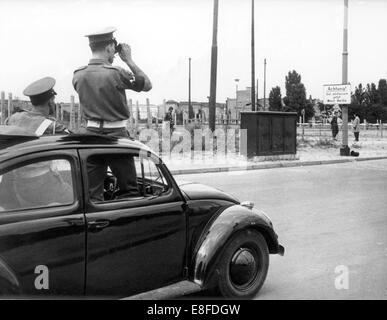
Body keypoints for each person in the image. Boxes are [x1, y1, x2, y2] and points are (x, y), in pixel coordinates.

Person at [72, 27, 152, 201]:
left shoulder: (78, 75)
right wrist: (128, 59)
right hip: (116, 136)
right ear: (110, 47)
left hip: (90, 136)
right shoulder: (117, 73)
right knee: (129, 190)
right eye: (112, 51)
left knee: (92, 194)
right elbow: (147, 85)